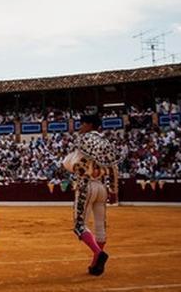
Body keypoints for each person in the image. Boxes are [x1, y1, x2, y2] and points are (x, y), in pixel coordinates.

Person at [63, 114, 123, 277]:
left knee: (79, 225)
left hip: (85, 185)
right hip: (102, 187)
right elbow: (113, 169)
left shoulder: (82, 140)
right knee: (100, 226)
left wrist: (73, 168)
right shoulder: (107, 143)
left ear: (89, 125)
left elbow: (71, 163)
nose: (80, 127)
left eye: (82, 124)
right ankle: (96, 265)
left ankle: (98, 252)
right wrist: (114, 191)